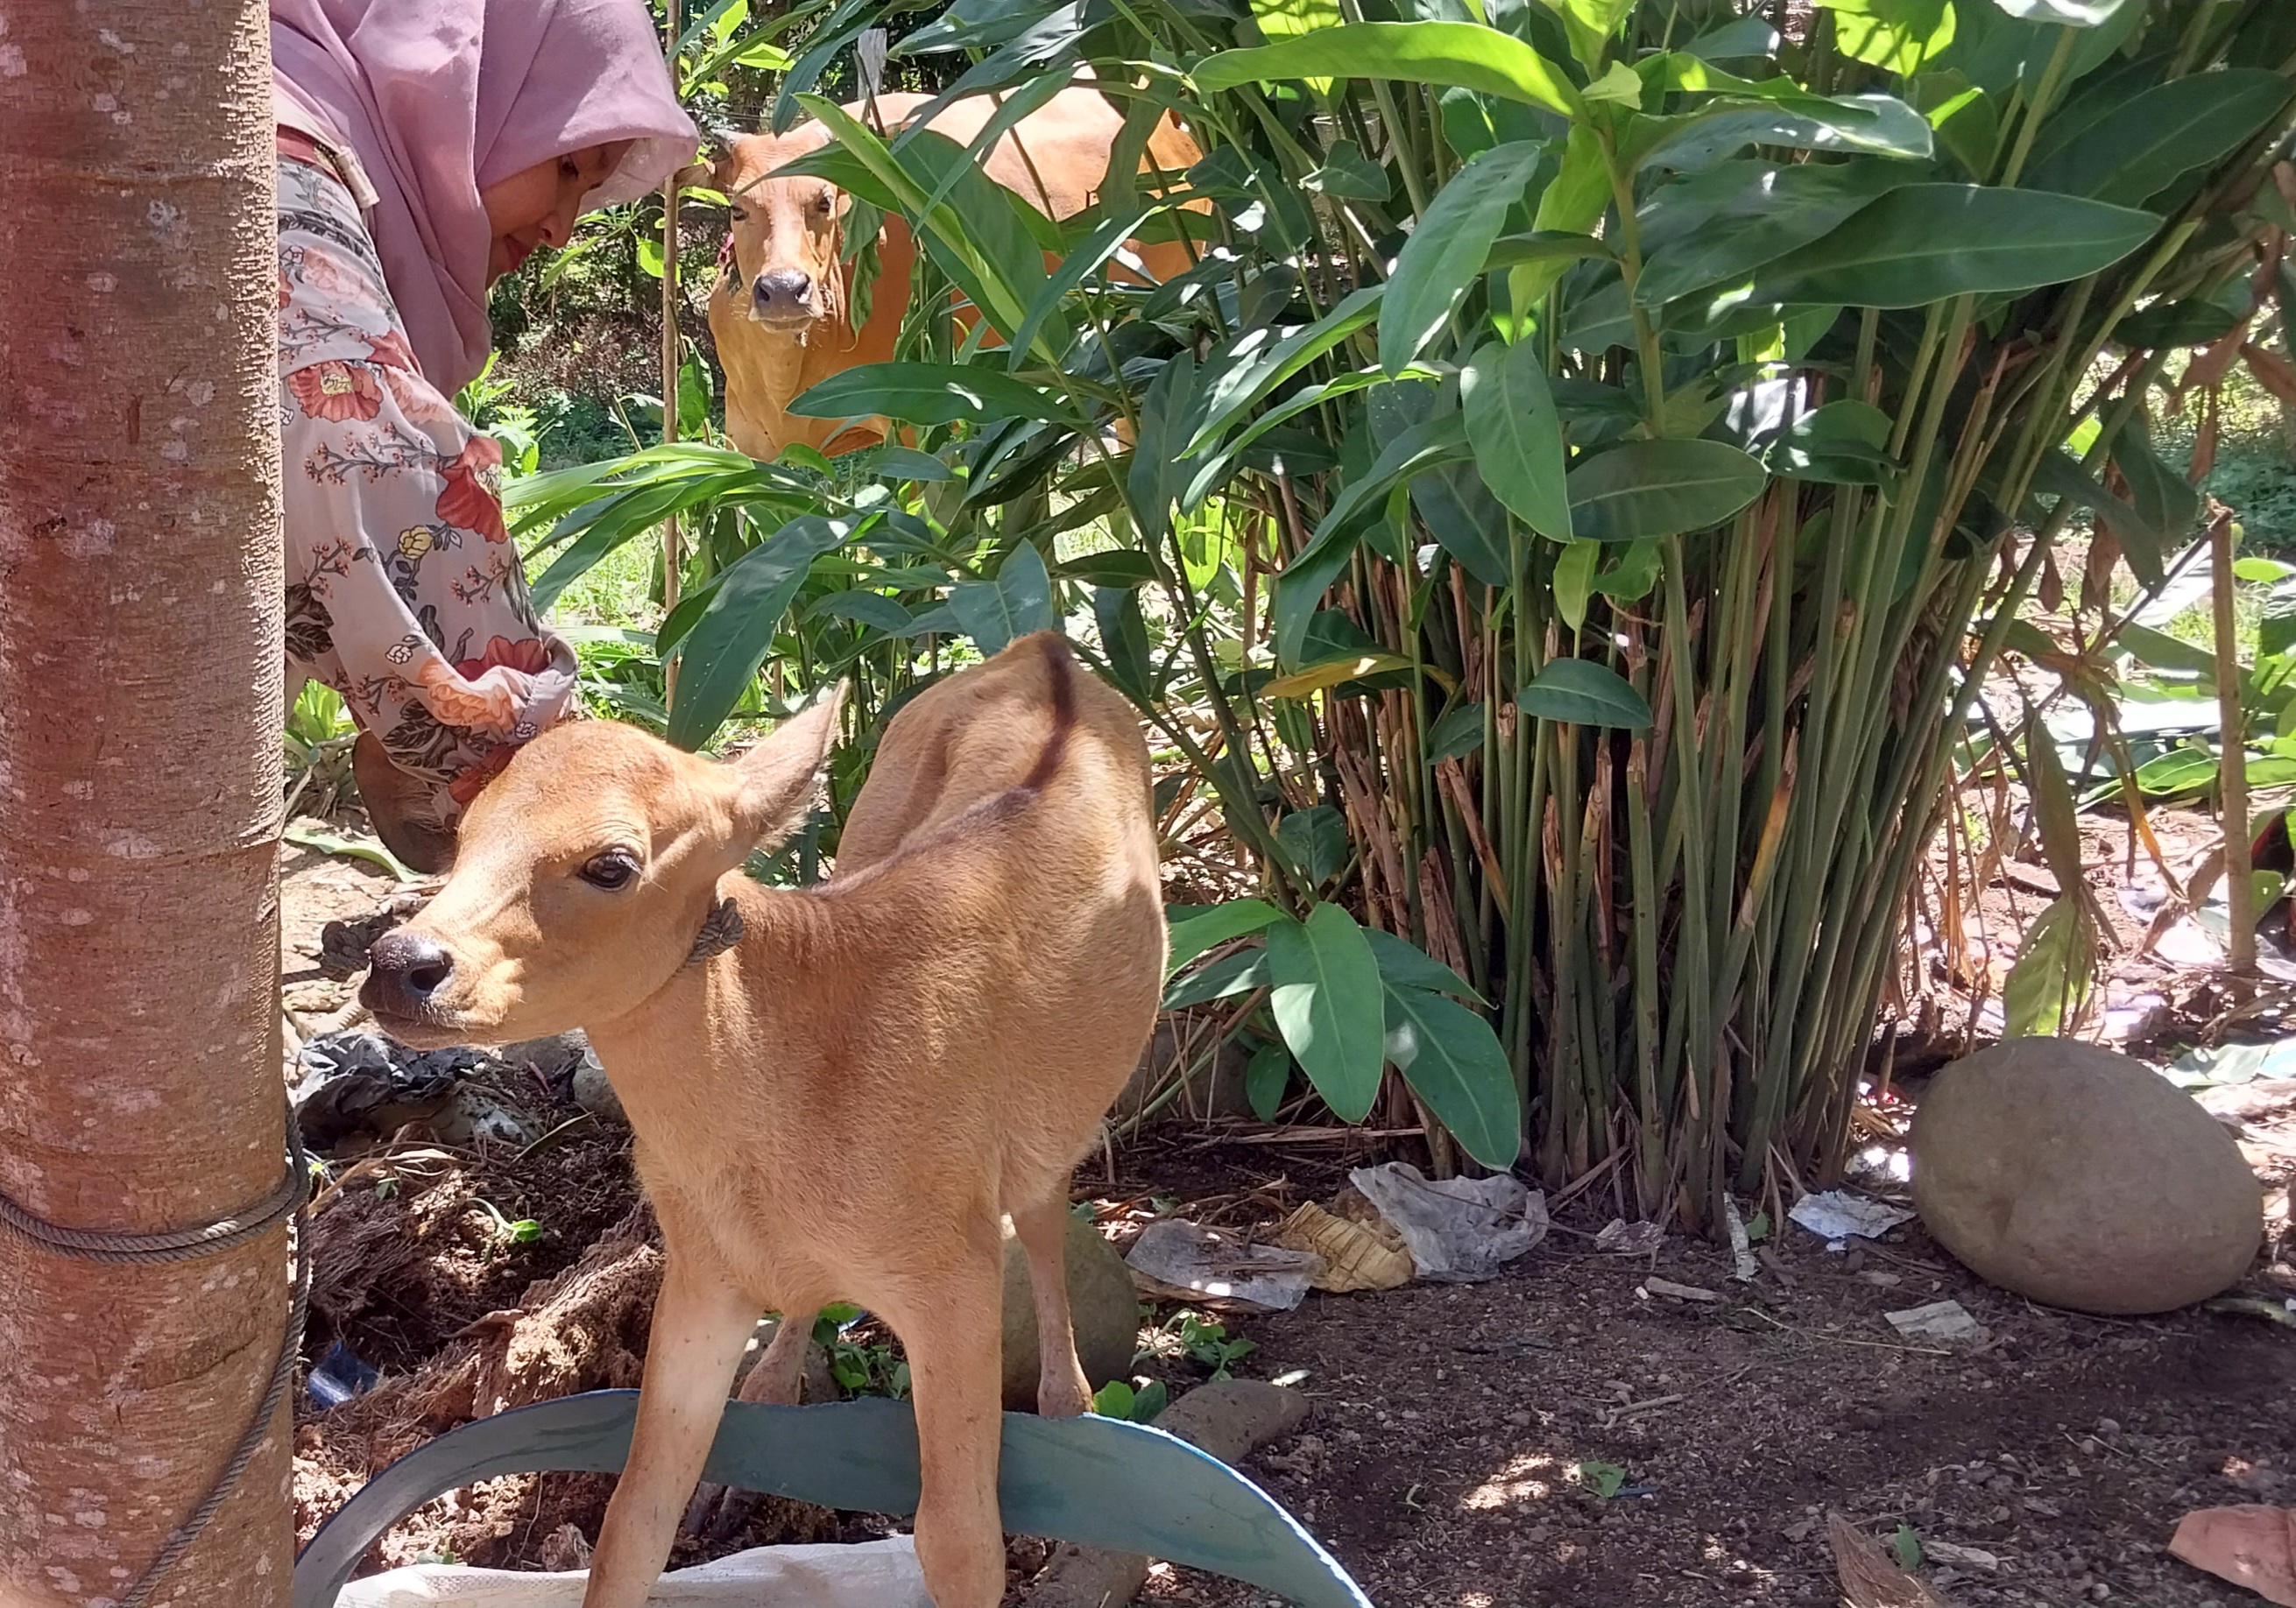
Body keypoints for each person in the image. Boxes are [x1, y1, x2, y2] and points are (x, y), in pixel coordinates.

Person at [271, 0, 697, 871]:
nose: (561, 229)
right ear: (468, 85)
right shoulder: (276, 159)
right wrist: (547, 780)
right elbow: (365, 446)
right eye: (568, 166)